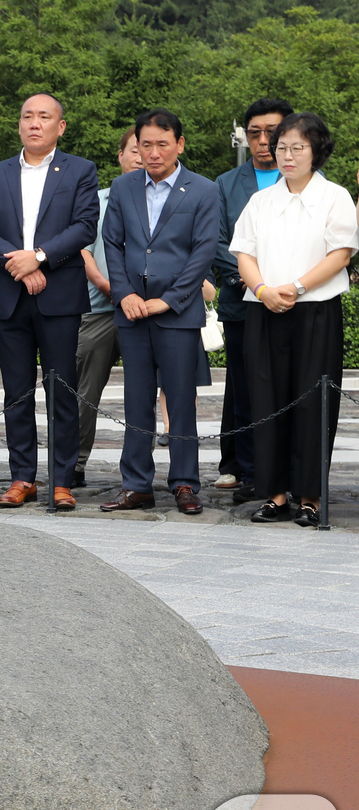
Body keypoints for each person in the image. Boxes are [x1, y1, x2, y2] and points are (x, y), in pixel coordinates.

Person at [0, 93, 98, 512]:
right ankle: (22, 476)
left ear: (60, 126)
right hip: (11, 296)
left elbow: (83, 226)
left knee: (62, 391)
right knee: (16, 392)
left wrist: (39, 257)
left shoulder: (80, 170)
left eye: (44, 117)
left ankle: (61, 480)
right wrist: (20, 264)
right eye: (27, 116)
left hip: (58, 297)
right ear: (19, 124)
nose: (34, 123)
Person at [231, 112, 359, 527]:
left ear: (316, 151)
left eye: (296, 147)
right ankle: (274, 494)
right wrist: (266, 290)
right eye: (281, 147)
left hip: (315, 311)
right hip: (263, 309)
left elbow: (341, 253)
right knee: (266, 401)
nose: (286, 155)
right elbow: (244, 253)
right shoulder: (260, 200)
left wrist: (298, 288)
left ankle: (311, 497)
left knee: (313, 402)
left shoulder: (334, 196)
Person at [99, 108, 221, 516]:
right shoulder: (123, 187)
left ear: (180, 145)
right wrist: (124, 293)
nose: (153, 153)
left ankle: (185, 483)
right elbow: (112, 246)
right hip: (132, 312)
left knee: (181, 400)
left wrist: (170, 299)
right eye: (145, 145)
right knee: (135, 401)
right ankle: (136, 485)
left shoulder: (202, 190)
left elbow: (203, 252)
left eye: (161, 144)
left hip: (177, 313)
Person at [213, 98, 293, 501]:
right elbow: (216, 242)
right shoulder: (225, 184)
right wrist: (247, 279)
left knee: (291, 388)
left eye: (273, 133)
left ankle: (292, 472)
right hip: (242, 302)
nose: (264, 141)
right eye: (255, 133)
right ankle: (247, 471)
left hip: (293, 302)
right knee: (246, 390)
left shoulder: (307, 180)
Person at [73, 130, 142, 488]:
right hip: (99, 309)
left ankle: (139, 473)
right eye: (135, 149)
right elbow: (81, 248)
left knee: (144, 394)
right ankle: (74, 463)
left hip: (147, 312)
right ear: (120, 155)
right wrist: (106, 284)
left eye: (149, 148)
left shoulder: (163, 200)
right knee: (83, 392)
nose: (142, 156)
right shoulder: (96, 200)